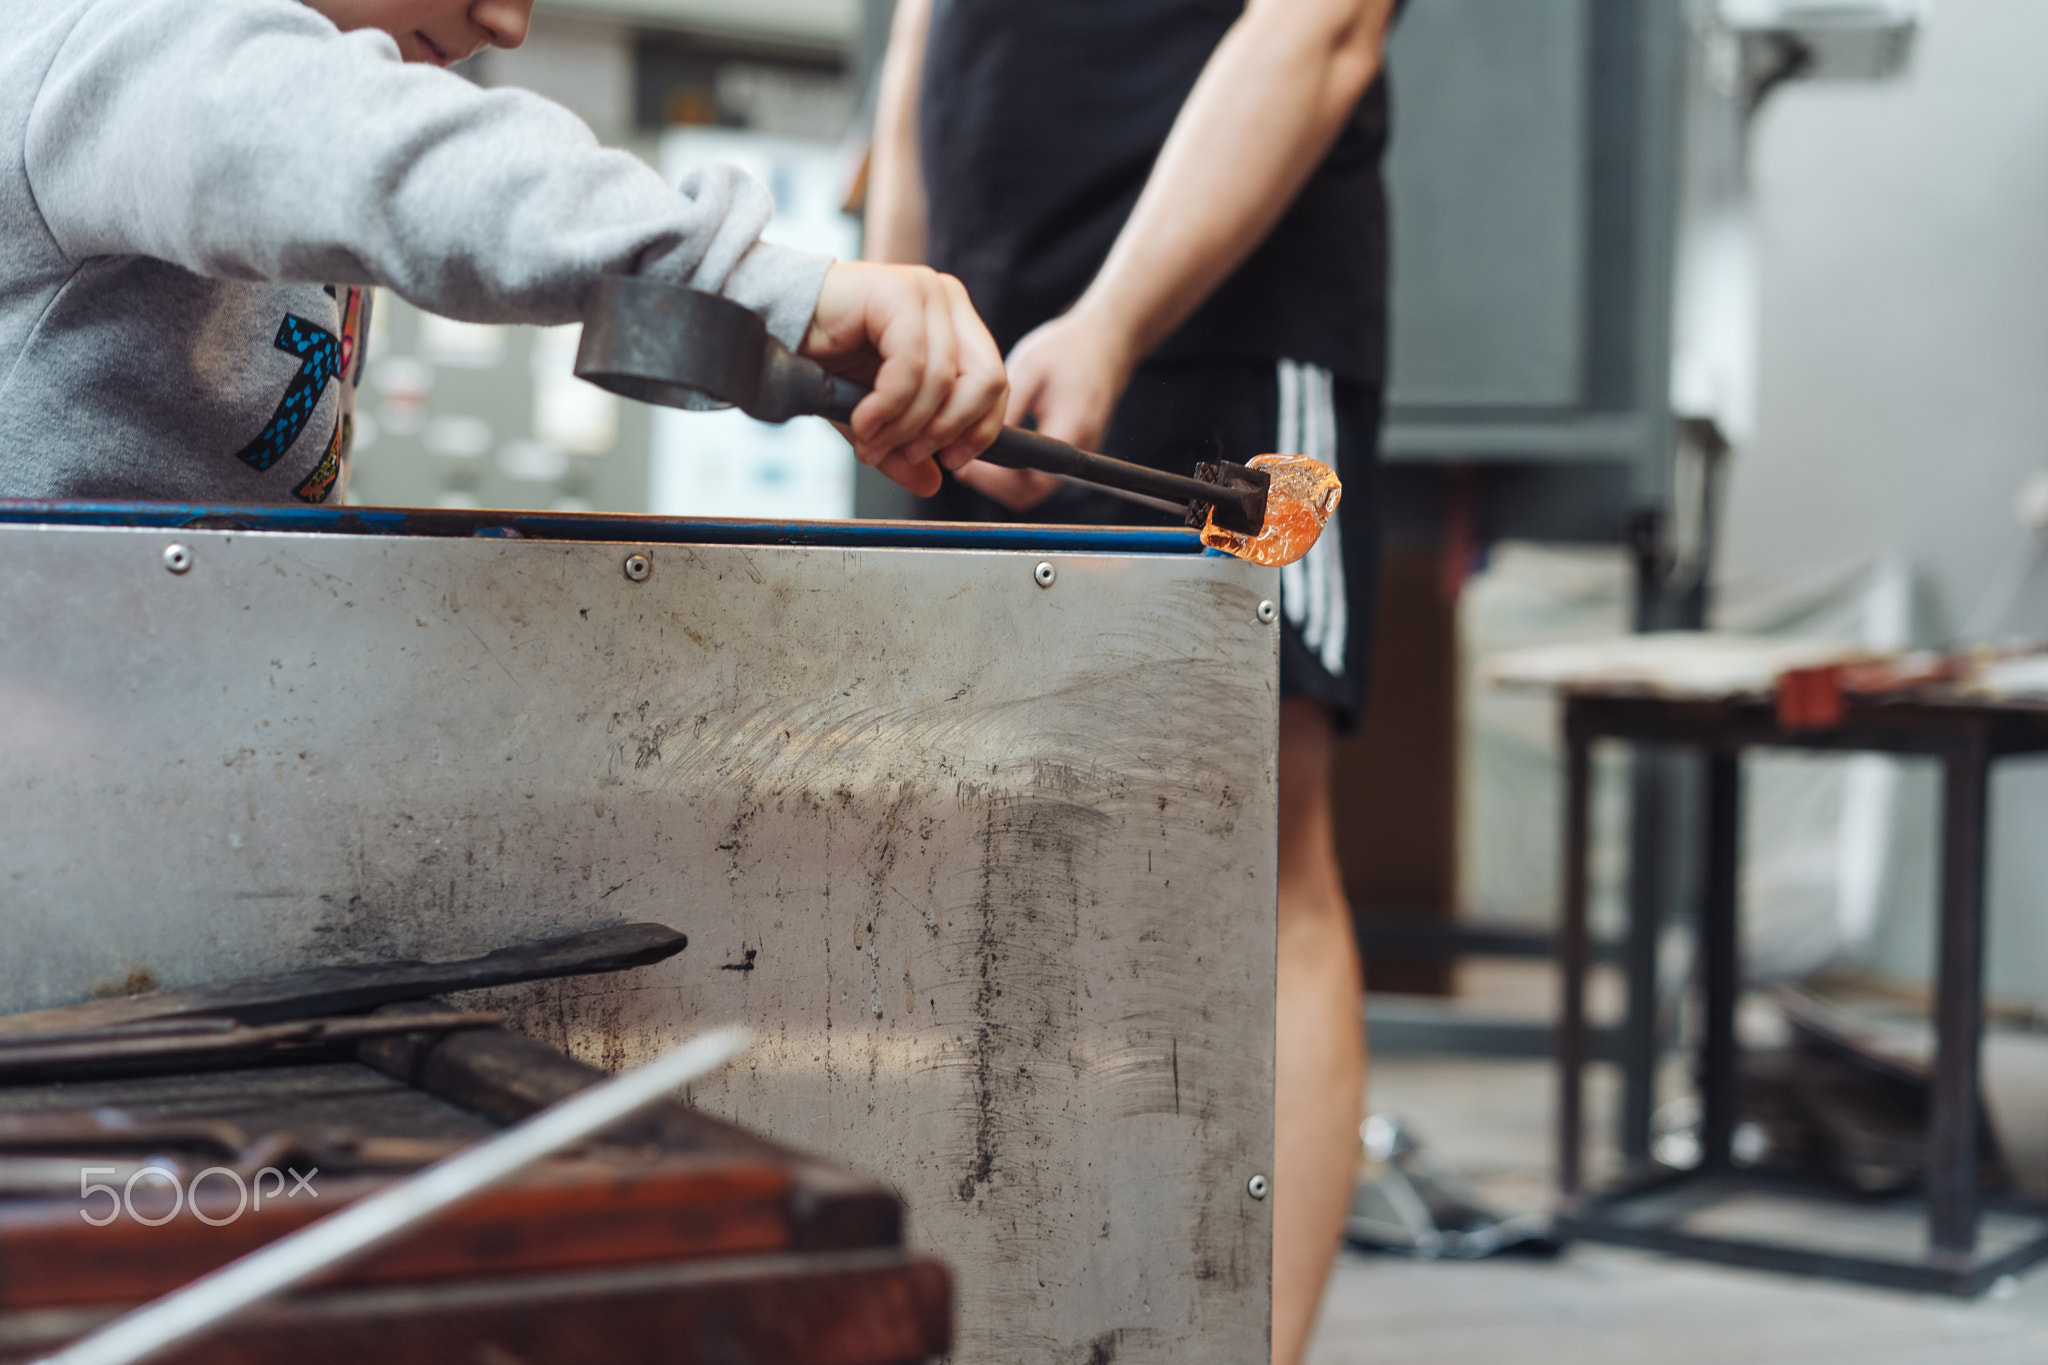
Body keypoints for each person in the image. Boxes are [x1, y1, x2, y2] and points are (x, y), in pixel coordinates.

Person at [866, 1, 1397, 1360]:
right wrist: (887, 294)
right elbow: (929, 32)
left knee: (1256, 858)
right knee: (974, 861)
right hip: (972, 346)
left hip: (1223, 324)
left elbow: (1323, 27)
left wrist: (1112, 322)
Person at [0, 0, 1006, 505]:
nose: (508, 25)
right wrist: (753, 278)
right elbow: (368, 152)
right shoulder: (106, 39)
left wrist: (774, 360)